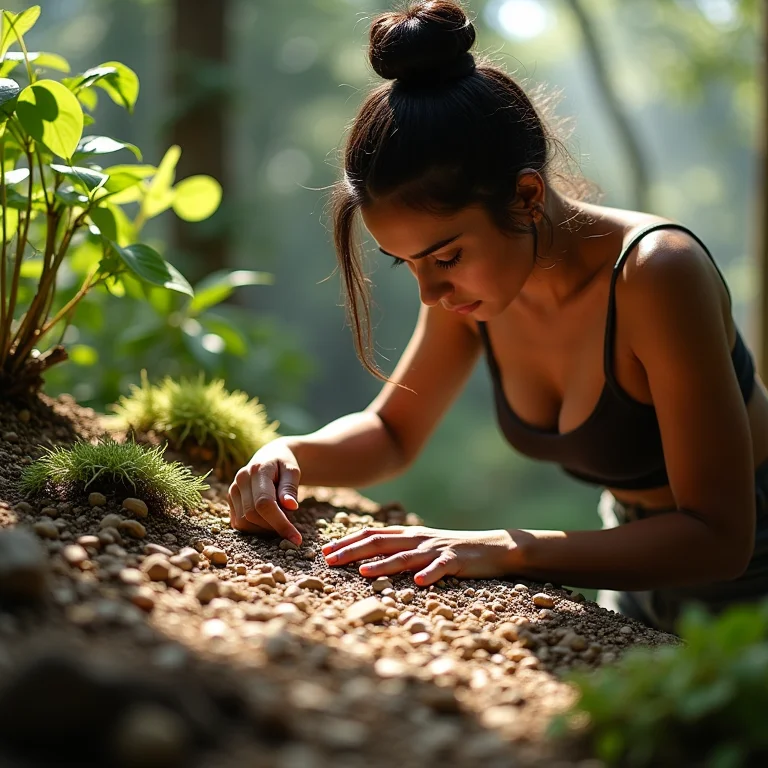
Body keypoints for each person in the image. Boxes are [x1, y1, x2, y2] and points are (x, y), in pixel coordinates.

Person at [227, 0, 768, 634]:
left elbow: (719, 536)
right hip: (633, 559)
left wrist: (510, 545)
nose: (431, 293)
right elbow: (393, 434)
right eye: (407, 264)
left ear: (527, 195)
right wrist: (288, 452)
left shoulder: (656, 275)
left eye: (447, 256)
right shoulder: (480, 294)